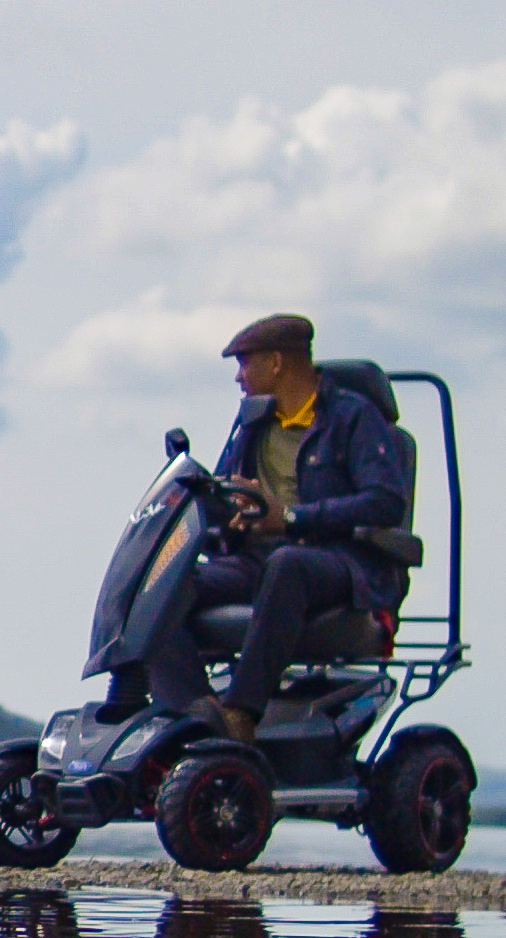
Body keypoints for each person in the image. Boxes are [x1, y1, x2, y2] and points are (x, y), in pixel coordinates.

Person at [138, 313, 412, 742]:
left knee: (288, 563)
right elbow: (227, 488)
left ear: (277, 363)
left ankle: (242, 713)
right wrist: (228, 506)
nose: (238, 378)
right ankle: (193, 712)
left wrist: (290, 517)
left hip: (338, 563)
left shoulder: (353, 418)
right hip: (255, 560)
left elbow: (386, 501)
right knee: (161, 583)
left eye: (245, 364)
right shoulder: (253, 422)